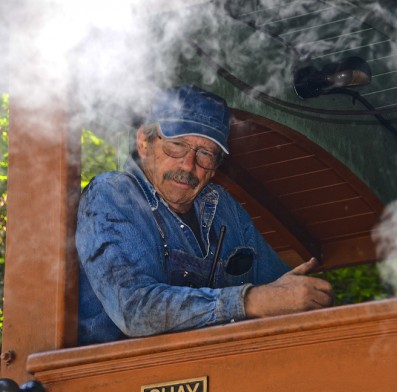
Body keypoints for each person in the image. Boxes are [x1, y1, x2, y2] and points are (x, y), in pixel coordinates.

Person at [76, 85, 333, 345]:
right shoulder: (113, 194)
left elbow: (278, 290)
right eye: (177, 146)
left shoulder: (224, 208)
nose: (188, 165)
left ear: (216, 165)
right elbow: (134, 310)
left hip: (215, 371)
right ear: (144, 143)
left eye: (205, 153)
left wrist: (300, 296)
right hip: (115, 376)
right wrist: (249, 300)